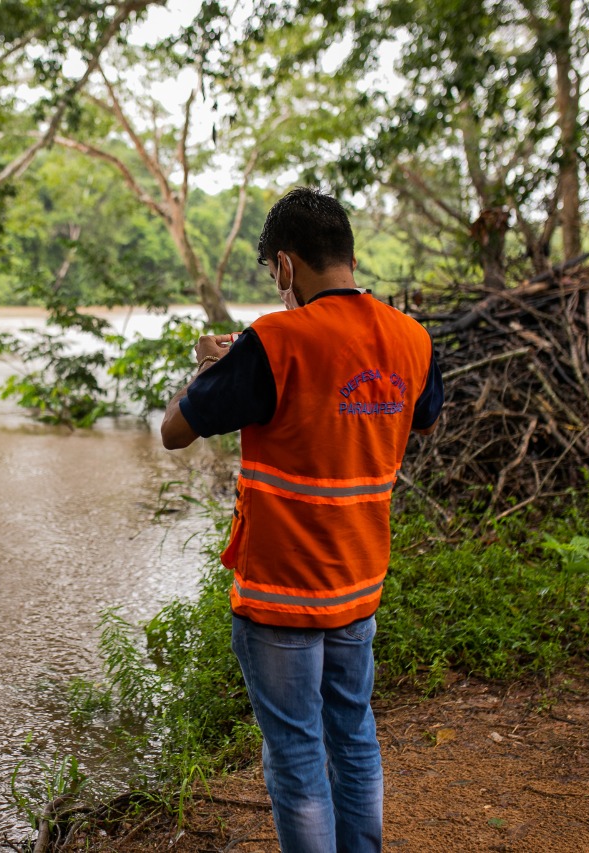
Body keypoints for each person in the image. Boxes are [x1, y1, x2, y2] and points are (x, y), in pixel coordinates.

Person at [160, 187, 443, 853]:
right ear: (346, 253)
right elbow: (427, 416)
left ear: (285, 267)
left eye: (271, 273)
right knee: (353, 734)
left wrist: (205, 370)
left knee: (295, 754)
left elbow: (176, 431)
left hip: (280, 592)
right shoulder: (412, 337)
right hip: (358, 583)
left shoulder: (274, 340)